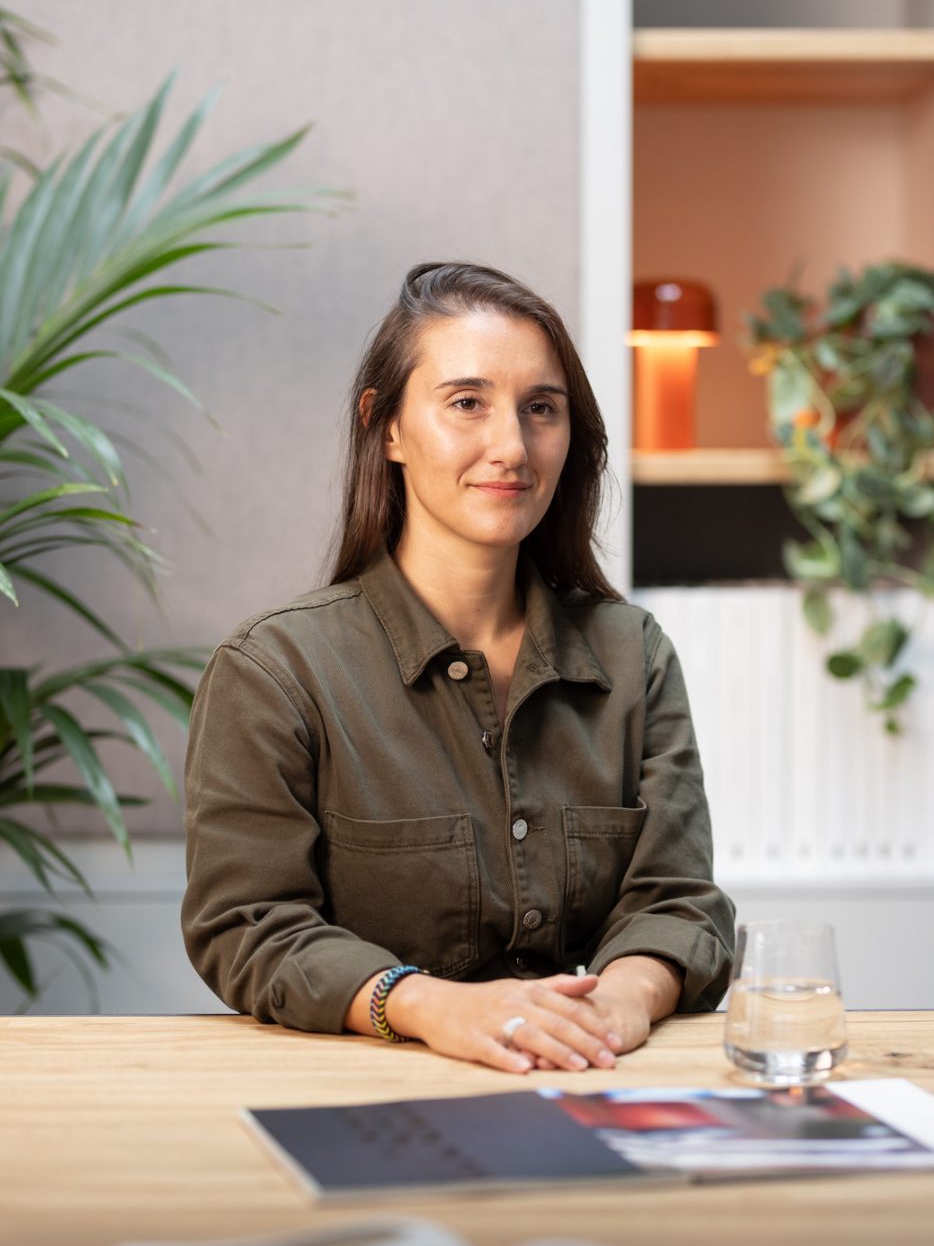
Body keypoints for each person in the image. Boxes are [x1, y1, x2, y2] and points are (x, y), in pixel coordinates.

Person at [182, 261, 735, 1075]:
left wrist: (616, 1006)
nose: (511, 446)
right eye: (467, 402)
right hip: (361, 1094)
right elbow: (247, 925)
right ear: (387, 426)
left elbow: (677, 901)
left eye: (541, 408)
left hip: (582, 1076)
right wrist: (433, 1006)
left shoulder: (634, 654)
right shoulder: (274, 671)